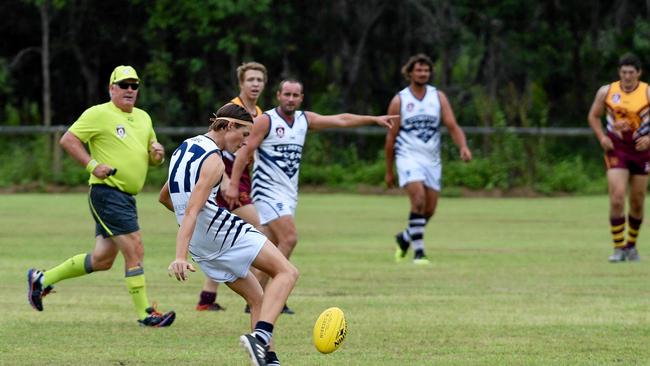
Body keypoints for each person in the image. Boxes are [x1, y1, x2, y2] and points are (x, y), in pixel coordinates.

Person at [224, 79, 394, 311]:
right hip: (267, 192)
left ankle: (254, 298)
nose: (291, 99)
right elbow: (244, 153)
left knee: (272, 246)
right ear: (278, 95)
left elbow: (341, 119)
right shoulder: (267, 120)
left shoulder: (305, 120)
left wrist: (373, 119)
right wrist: (234, 184)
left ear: (301, 98)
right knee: (290, 238)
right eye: (287, 94)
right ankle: (272, 295)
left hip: (288, 194)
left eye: (296, 95)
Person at [27, 65, 175, 327]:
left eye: (134, 85)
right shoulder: (99, 113)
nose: (130, 90)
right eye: (124, 85)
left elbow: (151, 157)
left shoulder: (143, 118)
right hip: (107, 193)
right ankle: (145, 314)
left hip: (126, 197)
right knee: (135, 248)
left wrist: (157, 155)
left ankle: (42, 279)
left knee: (102, 260)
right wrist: (93, 166)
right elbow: (68, 140)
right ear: (112, 88)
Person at [160, 103, 299, 366]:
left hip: (202, 247)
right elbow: (192, 210)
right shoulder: (214, 161)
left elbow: (165, 197)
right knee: (287, 272)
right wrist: (179, 255)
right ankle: (260, 337)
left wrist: (190, 235)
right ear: (229, 126)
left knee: (258, 297)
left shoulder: (184, 149)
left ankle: (268, 359)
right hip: (221, 232)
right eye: (244, 134)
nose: (245, 142)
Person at [196, 62, 274, 313]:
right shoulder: (233, 111)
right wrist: (227, 183)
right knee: (263, 233)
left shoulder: (259, 112)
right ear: (241, 83)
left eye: (259, 80)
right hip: (227, 179)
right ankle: (261, 295)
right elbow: (216, 145)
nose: (255, 84)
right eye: (250, 79)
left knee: (223, 239)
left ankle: (207, 298)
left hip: (243, 180)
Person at [384, 54, 472, 265]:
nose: (423, 73)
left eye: (426, 70)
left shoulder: (438, 97)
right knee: (419, 200)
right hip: (407, 156)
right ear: (410, 72)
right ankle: (419, 253)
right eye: (419, 70)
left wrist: (463, 146)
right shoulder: (400, 100)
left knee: (429, 210)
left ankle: (405, 237)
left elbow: (452, 124)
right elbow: (391, 136)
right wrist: (389, 170)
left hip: (432, 159)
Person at [587, 52, 650, 262]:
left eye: (631, 72)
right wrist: (602, 137)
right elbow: (593, 116)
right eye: (624, 72)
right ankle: (618, 248)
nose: (627, 76)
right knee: (617, 197)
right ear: (619, 72)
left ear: (638, 73)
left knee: (638, 200)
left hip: (642, 151)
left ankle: (631, 246)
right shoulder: (607, 91)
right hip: (617, 148)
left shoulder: (647, 92)